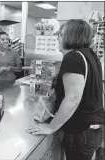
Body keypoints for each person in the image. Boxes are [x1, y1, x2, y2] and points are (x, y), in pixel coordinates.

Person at [27, 19, 104, 160]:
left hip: (81, 132)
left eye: (61, 35)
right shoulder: (90, 55)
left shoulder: (73, 57)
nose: (58, 38)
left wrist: (50, 127)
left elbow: (73, 98)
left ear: (71, 36)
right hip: (95, 129)